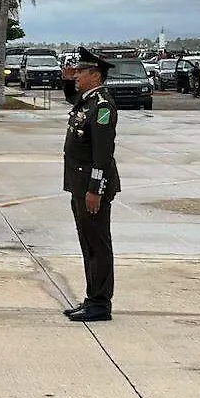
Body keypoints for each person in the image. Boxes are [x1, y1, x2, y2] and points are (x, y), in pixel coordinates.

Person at [61, 47, 120, 323]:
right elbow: (73, 98)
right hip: (79, 185)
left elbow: (102, 153)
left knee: (97, 244)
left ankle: (100, 303)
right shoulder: (88, 101)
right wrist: (66, 80)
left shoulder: (102, 106)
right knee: (88, 243)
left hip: (91, 188)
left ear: (95, 75)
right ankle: (92, 298)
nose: (77, 75)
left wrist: (95, 190)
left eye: (81, 72)